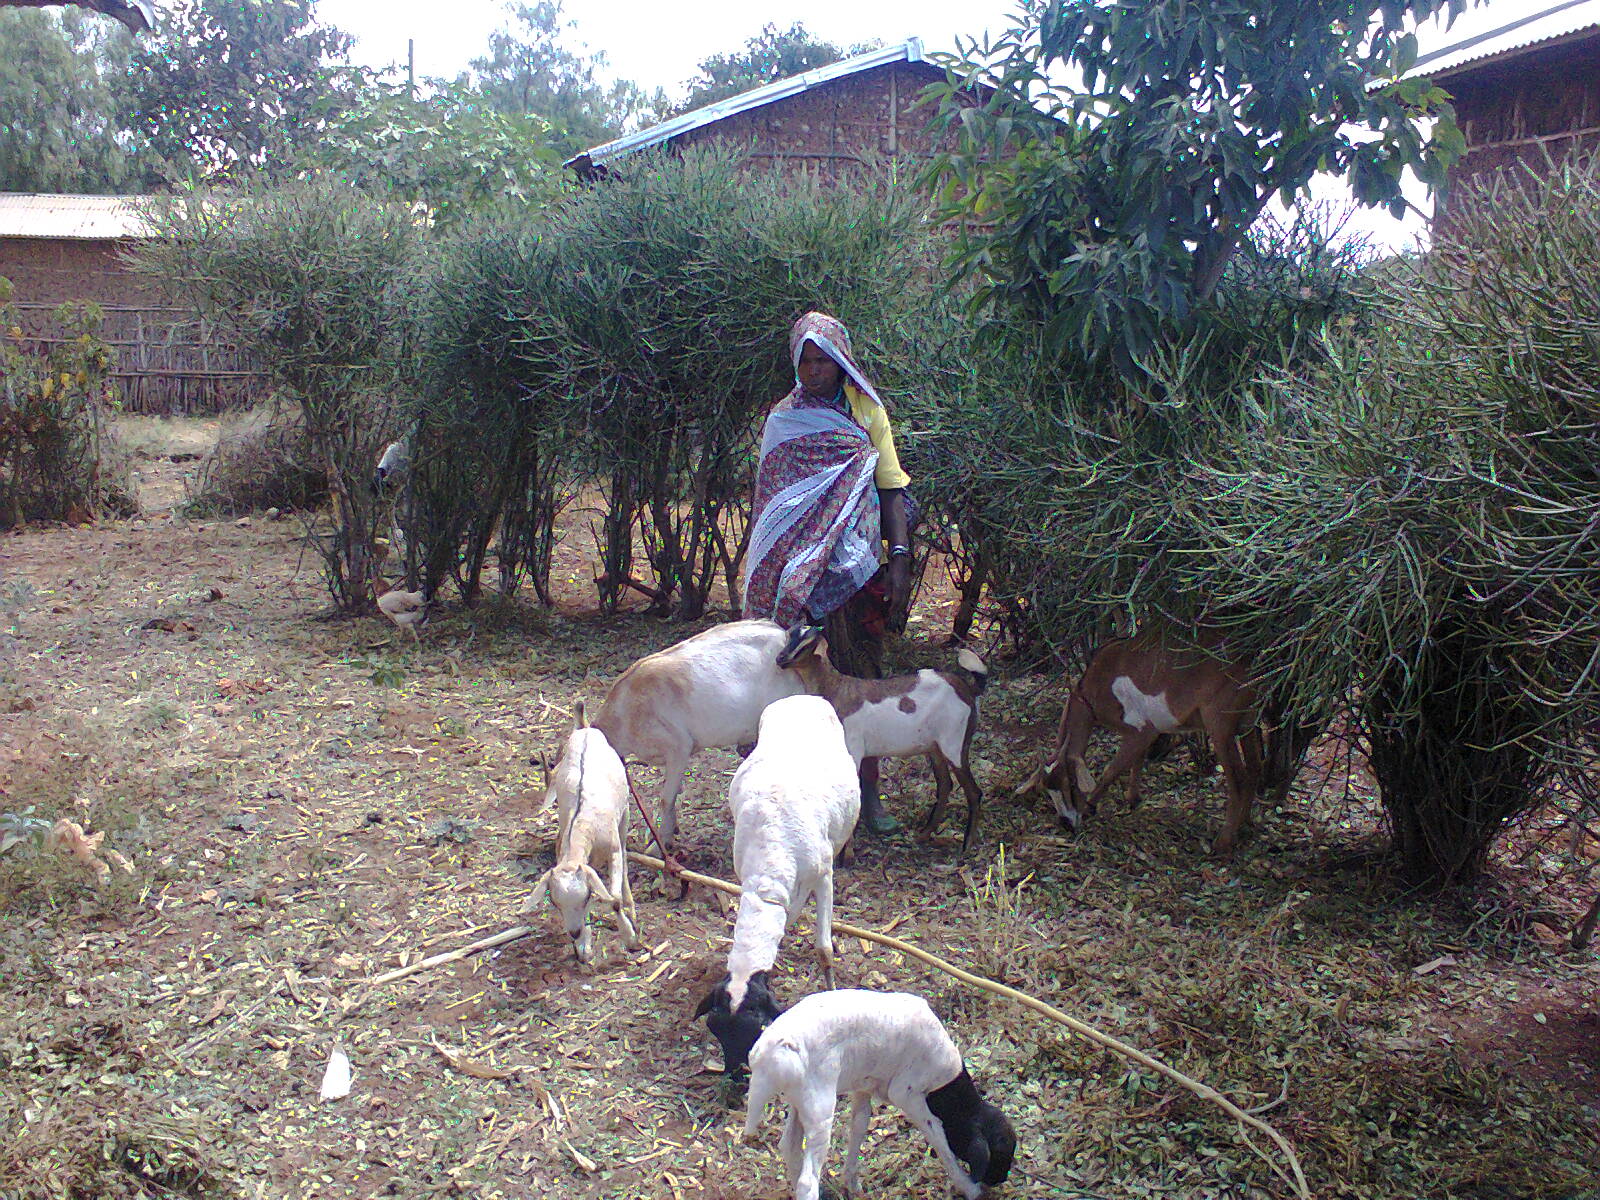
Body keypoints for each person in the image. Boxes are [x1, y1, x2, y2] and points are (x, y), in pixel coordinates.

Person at [743, 311, 913, 834]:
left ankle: (867, 794)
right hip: (798, 574)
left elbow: (890, 486)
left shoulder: (867, 413)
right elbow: (775, 506)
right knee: (796, 680)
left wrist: (900, 555)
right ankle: (797, 797)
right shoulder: (784, 420)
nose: (815, 370)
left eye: (824, 360)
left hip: (856, 567)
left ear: (841, 362)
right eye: (806, 361)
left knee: (861, 677)